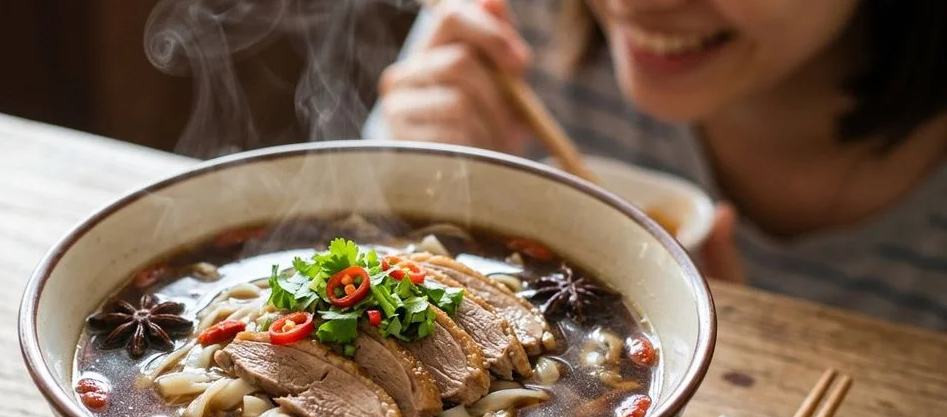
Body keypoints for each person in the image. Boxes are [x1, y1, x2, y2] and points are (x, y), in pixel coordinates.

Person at [367, 0, 947, 330]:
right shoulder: (509, 28)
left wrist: (753, 354)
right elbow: (351, 248)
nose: (638, 5)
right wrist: (418, 184)